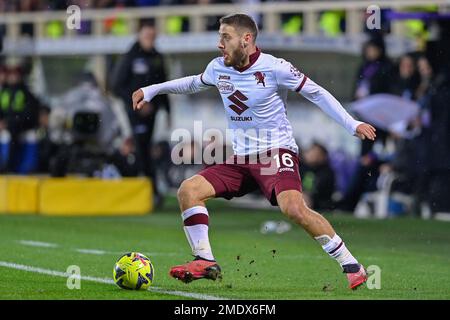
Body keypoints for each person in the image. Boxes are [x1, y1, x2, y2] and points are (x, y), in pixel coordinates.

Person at [132, 13, 376, 289]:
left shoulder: (275, 68)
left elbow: (317, 93)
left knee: (294, 208)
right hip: (242, 159)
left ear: (246, 39)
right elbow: (192, 82)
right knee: (189, 191)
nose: (219, 43)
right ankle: (204, 260)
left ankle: (351, 264)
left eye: (226, 37)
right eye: (219, 36)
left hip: (275, 152)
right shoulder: (217, 68)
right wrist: (151, 90)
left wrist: (351, 123)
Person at [111, 20, 171, 206]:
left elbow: (164, 85)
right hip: (134, 113)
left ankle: (147, 191)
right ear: (139, 35)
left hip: (152, 113)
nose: (150, 40)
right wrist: (138, 103)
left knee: (147, 150)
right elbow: (117, 86)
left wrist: (167, 111)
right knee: (139, 150)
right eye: (147, 36)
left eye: (152, 37)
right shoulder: (130, 57)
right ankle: (143, 191)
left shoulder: (157, 57)